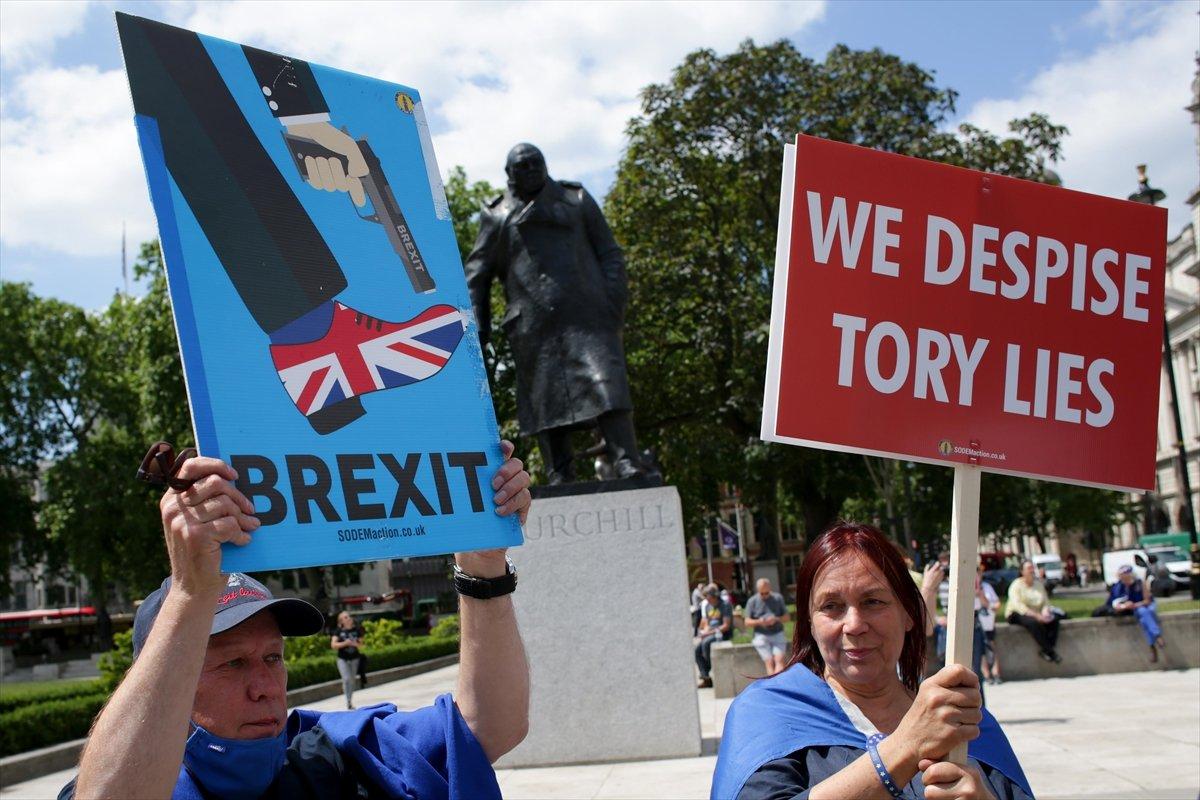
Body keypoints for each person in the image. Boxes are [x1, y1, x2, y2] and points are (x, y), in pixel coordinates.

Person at [61, 441, 532, 799]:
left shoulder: (337, 755)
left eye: (272, 657)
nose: (266, 685)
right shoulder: (129, 776)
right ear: (169, 677)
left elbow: (486, 726)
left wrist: (482, 564)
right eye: (232, 664)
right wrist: (191, 592)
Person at [713, 522, 1030, 799]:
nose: (854, 624)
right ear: (809, 622)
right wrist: (905, 747)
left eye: (873, 601)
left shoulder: (961, 721)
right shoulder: (768, 715)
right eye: (831, 606)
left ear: (909, 614)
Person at [464, 143, 647, 484]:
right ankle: (559, 471)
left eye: (537, 163)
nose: (532, 169)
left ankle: (626, 459)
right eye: (523, 166)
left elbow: (610, 252)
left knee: (607, 384)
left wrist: (611, 301)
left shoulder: (575, 199)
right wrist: (478, 329)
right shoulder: (497, 215)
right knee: (546, 401)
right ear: (509, 174)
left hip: (588, 317)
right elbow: (477, 275)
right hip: (533, 327)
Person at [1006, 559, 1064, 663]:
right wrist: (1037, 616)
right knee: (1033, 623)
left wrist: (1045, 612)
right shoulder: (1016, 585)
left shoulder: (1038, 585)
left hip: (1037, 613)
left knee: (1054, 620)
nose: (1032, 570)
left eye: (1032, 568)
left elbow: (1045, 601)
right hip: (1017, 613)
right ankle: (1050, 651)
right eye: (1029, 568)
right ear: (1022, 571)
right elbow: (1018, 606)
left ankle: (1047, 649)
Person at [1109, 564, 1167, 662]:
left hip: (1146, 605)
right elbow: (1114, 601)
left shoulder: (1140, 583)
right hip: (1137, 609)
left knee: (1146, 614)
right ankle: (1157, 636)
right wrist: (1123, 606)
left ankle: (1152, 647)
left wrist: (1134, 605)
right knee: (1143, 613)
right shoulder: (1120, 587)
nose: (1125, 580)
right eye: (1123, 578)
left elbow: (1147, 601)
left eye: (1126, 578)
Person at [744, 579, 790, 676]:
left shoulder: (778, 598)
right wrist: (760, 622)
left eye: (766, 593)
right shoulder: (752, 601)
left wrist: (776, 619)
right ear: (757, 590)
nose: (764, 595)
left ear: (770, 589)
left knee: (779, 660)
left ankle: (776, 685)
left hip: (777, 633)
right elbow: (747, 622)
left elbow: (787, 618)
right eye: (762, 593)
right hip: (761, 635)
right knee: (769, 662)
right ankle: (775, 685)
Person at [696, 584, 733, 689]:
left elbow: (726, 626)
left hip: (722, 634)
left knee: (706, 644)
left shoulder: (725, 605)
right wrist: (703, 631)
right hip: (710, 634)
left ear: (714, 595)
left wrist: (709, 633)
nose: (706, 599)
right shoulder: (708, 606)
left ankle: (710, 669)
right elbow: (707, 623)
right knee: (697, 651)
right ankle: (706, 677)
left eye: (708, 596)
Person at [331, 611, 364, 709]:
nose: (348, 618)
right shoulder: (338, 631)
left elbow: (361, 644)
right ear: (341, 621)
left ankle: (350, 699)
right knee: (346, 679)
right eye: (345, 617)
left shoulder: (357, 630)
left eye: (349, 616)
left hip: (354, 658)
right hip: (342, 659)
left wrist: (355, 644)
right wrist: (345, 643)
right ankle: (348, 701)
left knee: (352, 681)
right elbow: (333, 645)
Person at [977, 563, 1003, 685]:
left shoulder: (986, 587)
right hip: (977, 624)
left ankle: (996, 671)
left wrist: (982, 596)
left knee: (991, 645)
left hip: (988, 622)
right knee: (979, 648)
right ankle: (986, 673)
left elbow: (996, 604)